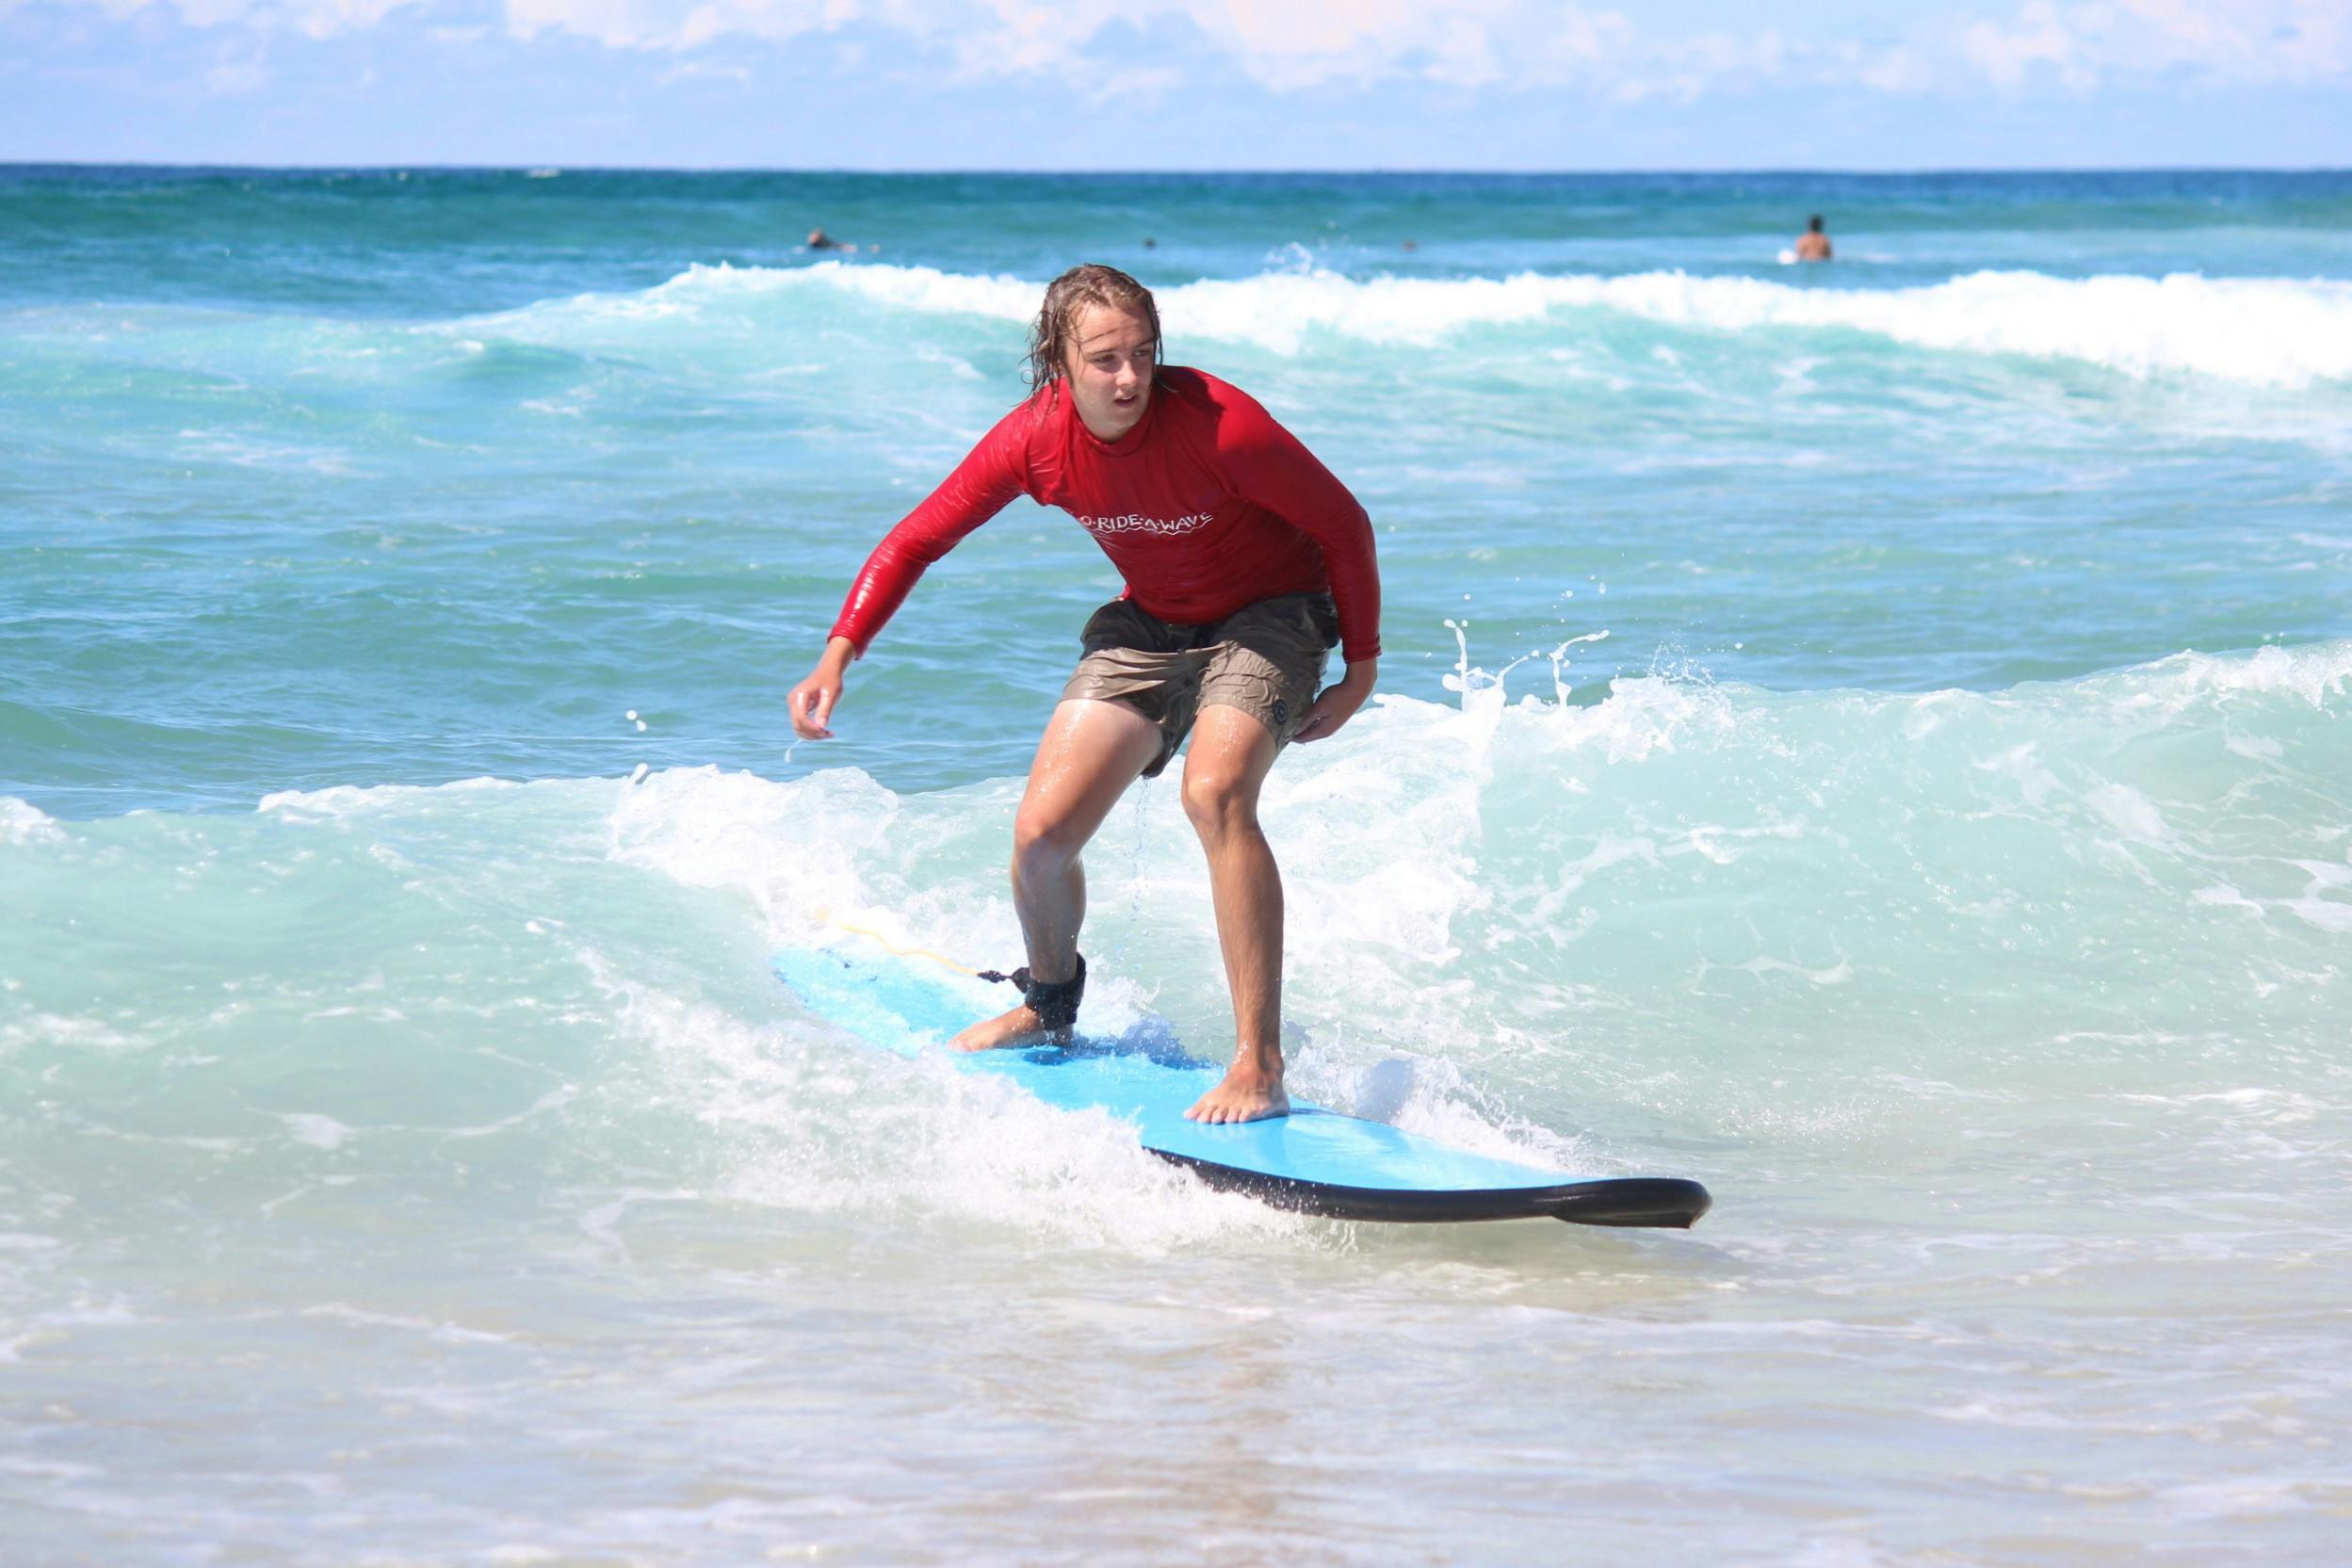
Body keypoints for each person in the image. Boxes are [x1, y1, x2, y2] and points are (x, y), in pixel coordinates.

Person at [787, 264, 1381, 1124]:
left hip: (1272, 615)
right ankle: (1048, 1004)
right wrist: (838, 652)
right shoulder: (1033, 440)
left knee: (1215, 793)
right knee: (1040, 837)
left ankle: (1258, 1065)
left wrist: (1359, 667)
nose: (1129, 377)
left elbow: (1342, 523)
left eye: (1143, 353)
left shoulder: (1221, 426)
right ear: (1057, 361)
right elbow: (917, 539)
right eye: (1104, 359)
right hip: (1151, 623)